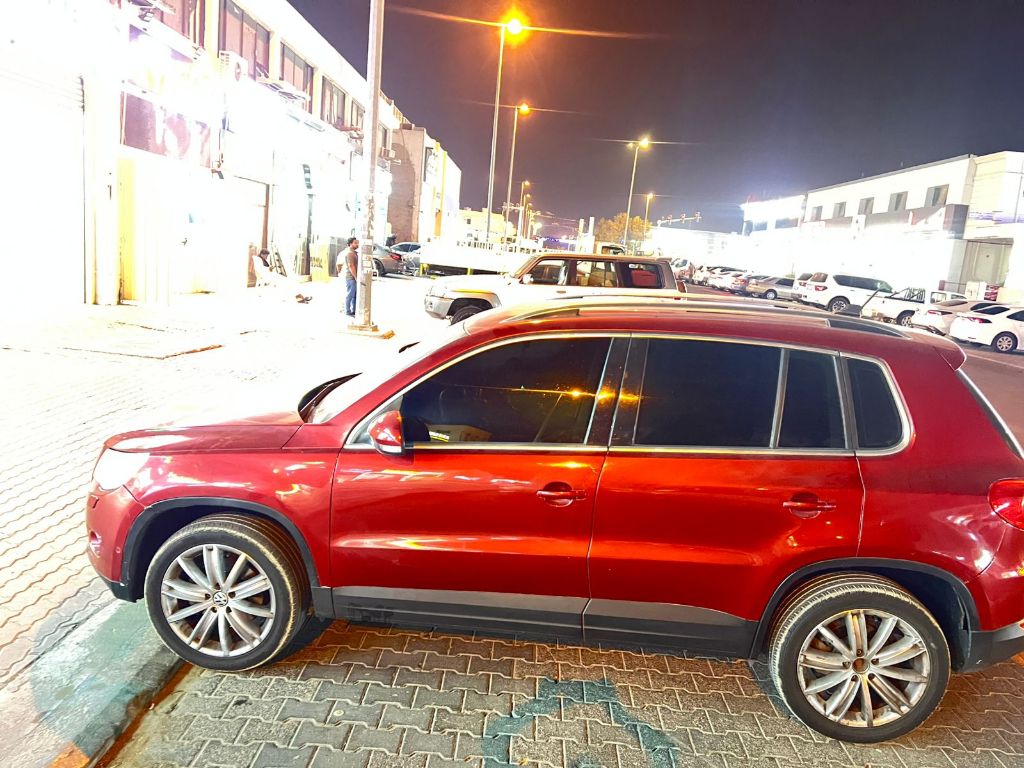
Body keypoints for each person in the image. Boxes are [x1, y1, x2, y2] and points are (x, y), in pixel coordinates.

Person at [341, 236, 359, 317]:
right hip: (351, 278)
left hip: (353, 278)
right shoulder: (350, 253)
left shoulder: (354, 253)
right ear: (350, 244)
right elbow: (351, 266)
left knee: (354, 295)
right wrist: (356, 277)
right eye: (355, 243)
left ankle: (353, 310)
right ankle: (347, 311)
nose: (357, 244)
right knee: (350, 295)